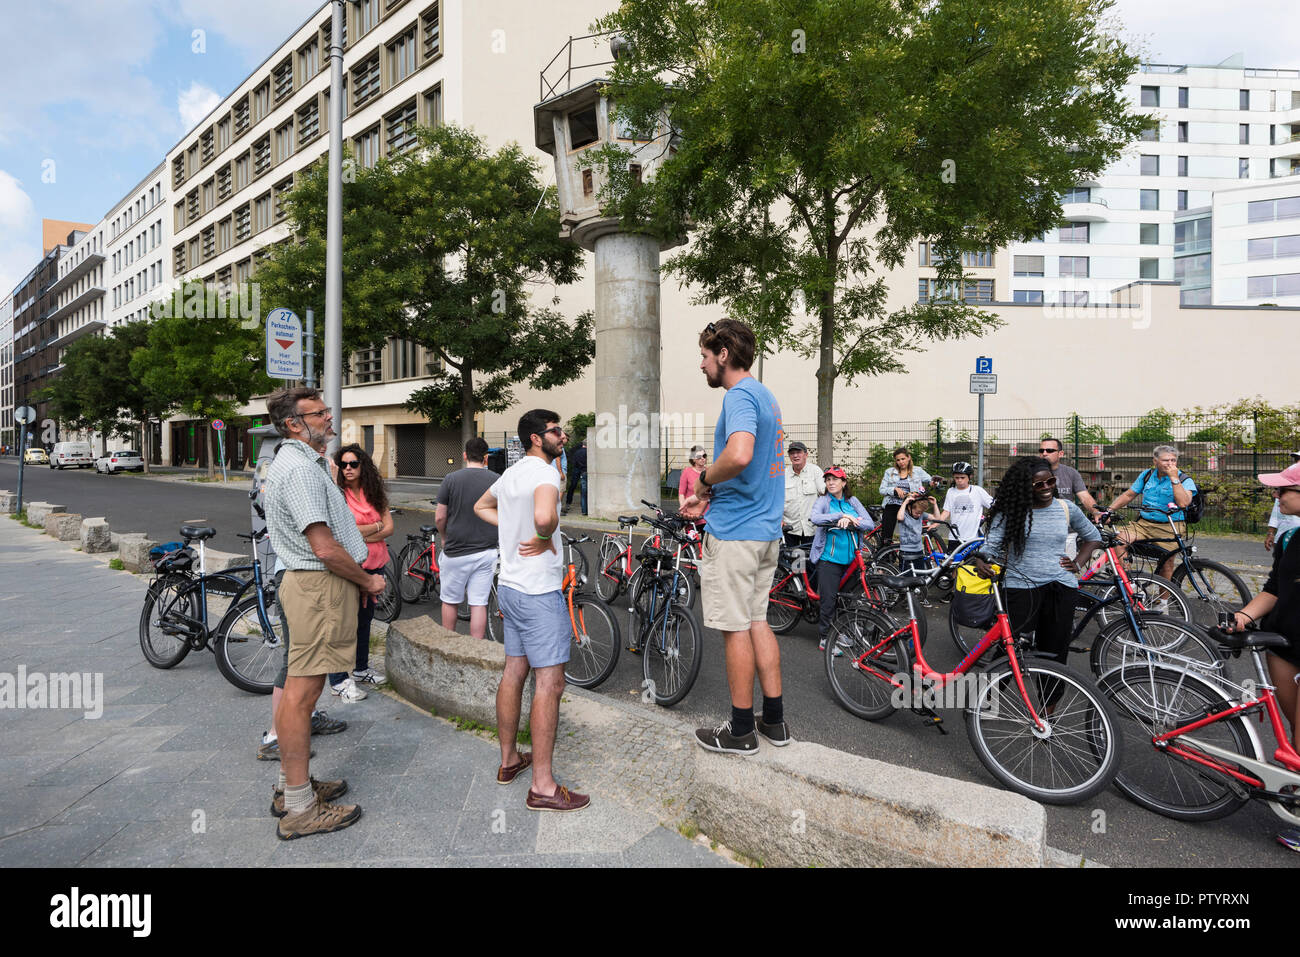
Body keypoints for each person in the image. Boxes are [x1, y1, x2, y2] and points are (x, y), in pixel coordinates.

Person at [262, 386, 385, 839]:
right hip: (316, 586)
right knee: (303, 693)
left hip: (313, 585)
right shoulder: (299, 471)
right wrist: (367, 579)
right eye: (320, 413)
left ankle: (289, 790)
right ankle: (299, 807)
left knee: (303, 691)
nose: (330, 419)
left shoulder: (304, 464)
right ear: (295, 424)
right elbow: (325, 547)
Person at [681, 319, 789, 754]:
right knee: (758, 621)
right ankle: (775, 723)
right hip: (765, 531)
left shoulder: (740, 395)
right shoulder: (767, 396)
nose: (702, 365)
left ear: (723, 354)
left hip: (736, 535)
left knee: (735, 628)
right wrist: (710, 493)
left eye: (705, 356)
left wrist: (704, 480)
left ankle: (741, 731)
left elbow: (740, 454)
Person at [473, 409, 589, 812]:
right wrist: (541, 534)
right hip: (539, 592)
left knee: (514, 671)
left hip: (509, 588)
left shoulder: (512, 473)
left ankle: (508, 761)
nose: (563, 435)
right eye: (557, 430)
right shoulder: (545, 474)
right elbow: (544, 516)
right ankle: (542, 786)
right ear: (538, 438)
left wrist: (517, 529)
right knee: (550, 685)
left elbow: (480, 508)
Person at [1225, 461, 1300, 852]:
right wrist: (1243, 616)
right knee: (1293, 742)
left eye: (1283, 490)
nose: (1277, 496)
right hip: (1285, 644)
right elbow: (1273, 588)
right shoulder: (1291, 539)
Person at [975, 457, 1102, 668]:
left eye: (1050, 482)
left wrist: (1078, 563)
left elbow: (1093, 536)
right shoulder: (1011, 511)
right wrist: (981, 560)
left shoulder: (1066, 507)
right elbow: (991, 545)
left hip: (1061, 588)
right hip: (1020, 588)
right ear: (1025, 487)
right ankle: (990, 698)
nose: (1046, 488)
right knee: (1008, 651)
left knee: (1055, 654)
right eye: (1038, 484)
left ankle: (1049, 702)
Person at [326, 444, 391, 701]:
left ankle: (361, 668)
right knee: (343, 623)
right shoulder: (337, 494)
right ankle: (338, 680)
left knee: (365, 620)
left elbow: (389, 528)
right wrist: (374, 526)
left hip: (376, 564)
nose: (348, 469)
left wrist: (361, 529)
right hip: (350, 566)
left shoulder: (373, 493)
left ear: (363, 465)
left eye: (353, 464)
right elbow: (339, 533)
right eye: (344, 465)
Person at [436, 437, 500, 640]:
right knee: (479, 603)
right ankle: (477, 649)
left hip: (456, 550)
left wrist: (444, 538)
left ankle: (448, 646)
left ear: (464, 455)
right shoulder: (497, 479)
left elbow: (440, 517)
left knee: (450, 601)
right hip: (487, 550)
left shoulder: (451, 479)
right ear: (486, 458)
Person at [1103, 444, 1196, 582]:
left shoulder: (1184, 480)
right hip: (1143, 524)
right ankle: (1129, 583)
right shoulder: (1147, 475)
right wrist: (1109, 511)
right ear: (1155, 461)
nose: (1170, 464)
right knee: (1119, 541)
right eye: (1166, 460)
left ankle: (1163, 602)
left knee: (1166, 563)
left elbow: (1183, 503)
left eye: (1173, 460)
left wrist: (1174, 479)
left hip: (1170, 526)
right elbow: (1129, 495)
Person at [808, 466, 870, 651]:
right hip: (829, 559)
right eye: (828, 480)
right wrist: (840, 516)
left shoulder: (853, 501)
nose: (831, 482)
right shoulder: (823, 501)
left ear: (843, 483)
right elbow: (815, 518)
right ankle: (825, 637)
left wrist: (851, 520)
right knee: (829, 599)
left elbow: (868, 522)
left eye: (835, 479)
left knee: (846, 599)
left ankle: (840, 631)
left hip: (850, 560)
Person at [878, 449, 932, 543]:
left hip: (910, 505)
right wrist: (893, 489)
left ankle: (909, 551)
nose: (901, 462)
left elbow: (931, 480)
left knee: (911, 533)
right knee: (887, 536)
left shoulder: (918, 471)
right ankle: (884, 554)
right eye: (898, 460)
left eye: (903, 459)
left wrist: (934, 483)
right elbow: (882, 490)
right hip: (892, 504)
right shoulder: (889, 472)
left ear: (909, 457)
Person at [937, 462, 992, 545]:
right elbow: (946, 512)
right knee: (953, 558)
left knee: (973, 558)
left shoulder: (977, 491)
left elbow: (993, 505)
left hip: (973, 538)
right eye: (957, 478)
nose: (959, 480)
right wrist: (935, 523)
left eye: (962, 477)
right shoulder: (951, 491)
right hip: (955, 537)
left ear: (969, 477)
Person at [783, 440, 826, 547]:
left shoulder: (815, 471)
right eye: (792, 453)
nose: (795, 456)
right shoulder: (783, 474)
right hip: (790, 527)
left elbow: (825, 494)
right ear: (789, 456)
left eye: (799, 452)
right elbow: (777, 499)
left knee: (810, 560)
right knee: (791, 560)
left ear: (806, 455)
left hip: (811, 526)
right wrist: (779, 519)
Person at [1265, 451, 1300, 552]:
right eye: (1296, 459)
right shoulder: (1286, 485)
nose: (1276, 495)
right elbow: (1276, 513)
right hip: (1283, 537)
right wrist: (1271, 533)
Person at [678, 446, 708, 511]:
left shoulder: (709, 471)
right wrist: (683, 508)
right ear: (693, 459)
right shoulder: (687, 471)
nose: (702, 458)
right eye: (699, 457)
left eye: (704, 456)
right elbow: (681, 494)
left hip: (707, 512)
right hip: (690, 510)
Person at [563, 439, 588, 516]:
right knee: (583, 489)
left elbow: (573, 458)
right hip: (583, 469)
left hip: (576, 468)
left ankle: (568, 503)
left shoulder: (576, 450)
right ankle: (584, 507)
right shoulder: (587, 451)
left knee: (573, 486)